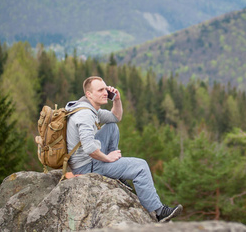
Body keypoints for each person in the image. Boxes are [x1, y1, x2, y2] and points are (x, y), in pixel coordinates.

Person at [65, 76, 182, 222]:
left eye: (106, 89)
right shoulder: (85, 114)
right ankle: (159, 212)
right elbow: (89, 148)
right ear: (89, 94)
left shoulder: (88, 108)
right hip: (86, 166)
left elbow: (115, 117)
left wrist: (117, 100)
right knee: (140, 166)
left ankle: (116, 173)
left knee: (112, 127)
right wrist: (108, 158)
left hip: (85, 160)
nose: (105, 93)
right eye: (100, 90)